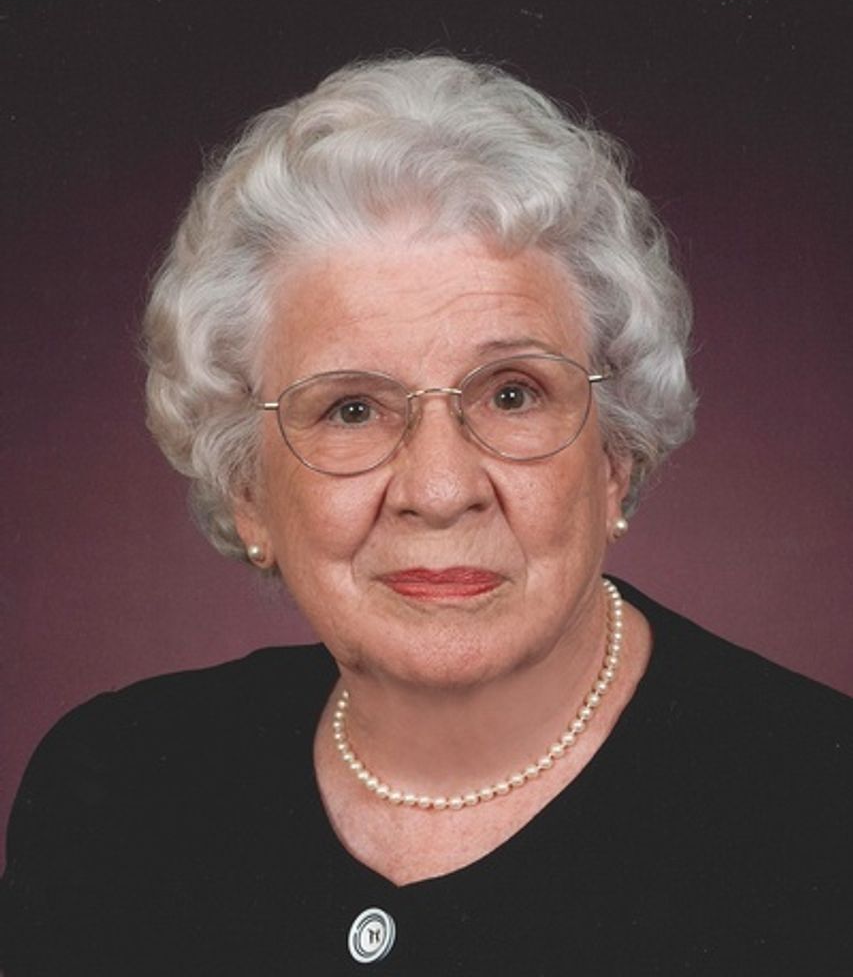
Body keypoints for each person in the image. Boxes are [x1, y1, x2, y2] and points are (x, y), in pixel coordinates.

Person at [1, 55, 849, 976]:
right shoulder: (117, 788)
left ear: (614, 458)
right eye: (350, 409)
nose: (440, 490)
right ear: (247, 491)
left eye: (512, 395)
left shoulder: (819, 813)